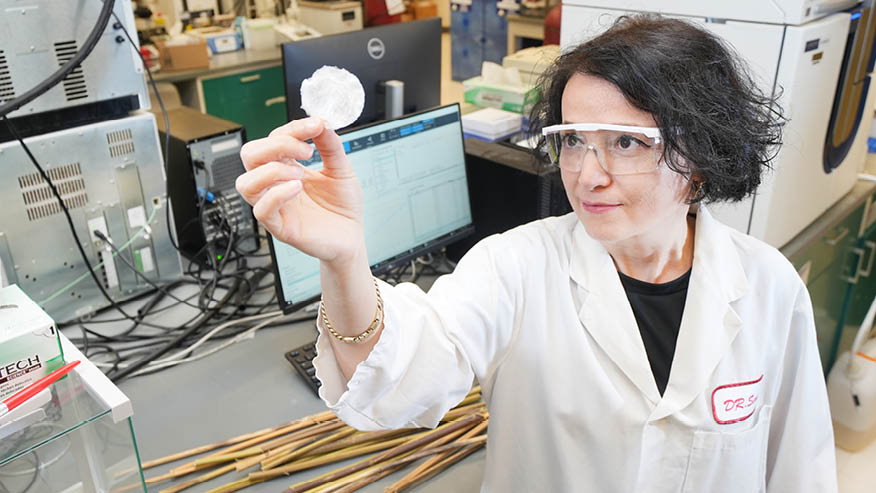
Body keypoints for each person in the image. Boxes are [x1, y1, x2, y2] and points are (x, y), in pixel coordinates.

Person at [235, 14, 837, 493]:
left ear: (701, 154)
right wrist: (344, 258)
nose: (586, 174)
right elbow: (399, 382)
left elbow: (799, 469)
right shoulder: (515, 267)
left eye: (626, 142)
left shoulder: (769, 287)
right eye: (571, 139)